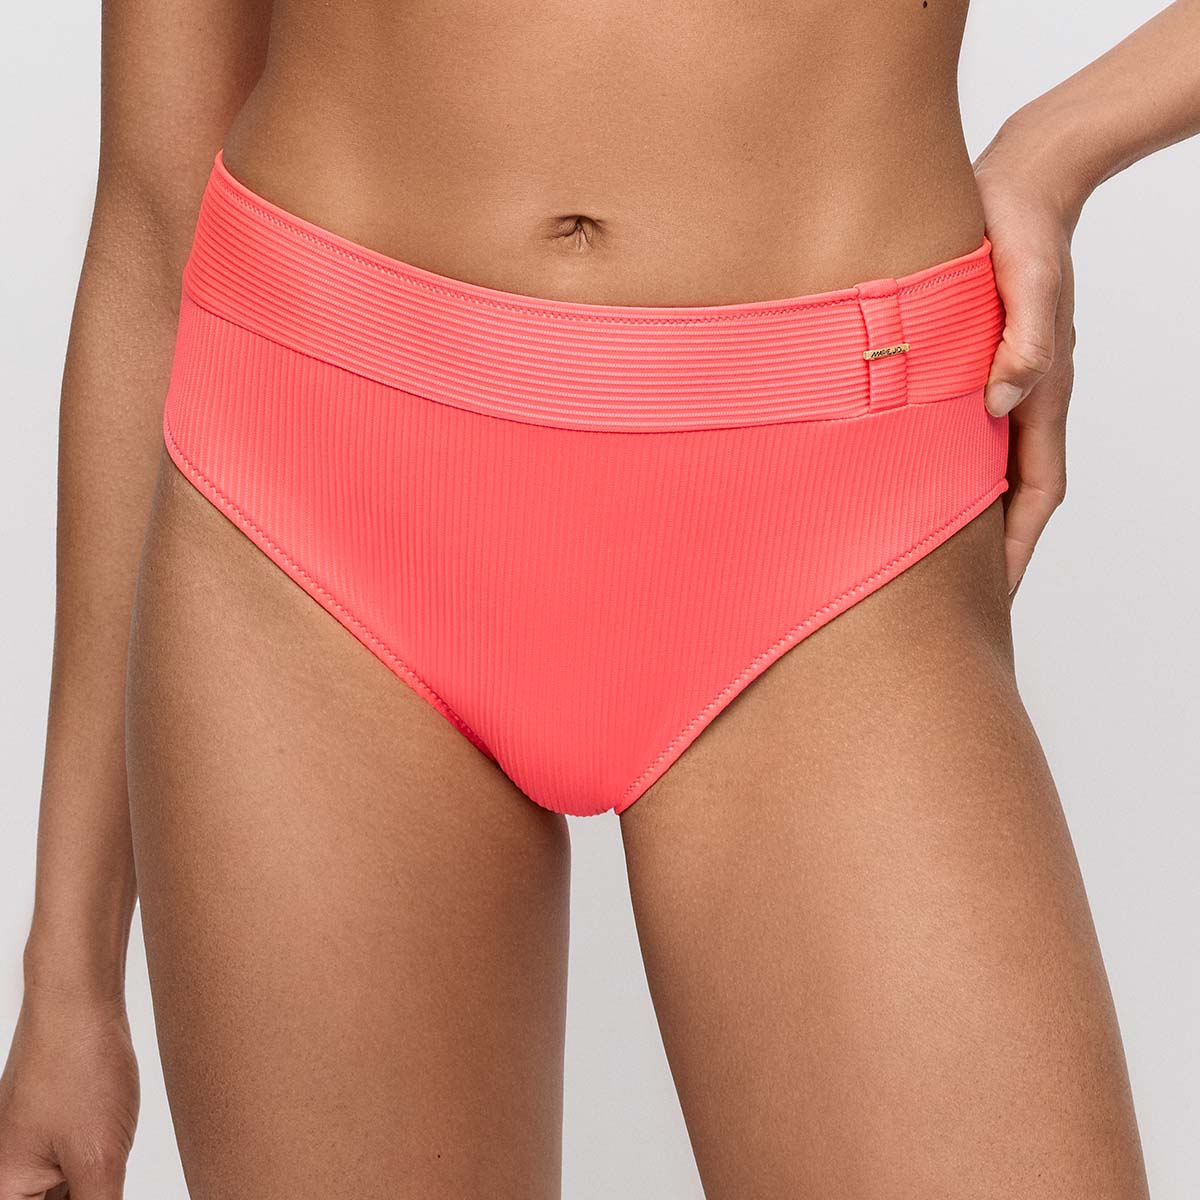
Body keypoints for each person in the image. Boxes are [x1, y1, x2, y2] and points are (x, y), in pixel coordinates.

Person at [1, 1, 1196, 1196]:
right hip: (307, 475)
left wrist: (1057, 150)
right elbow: (157, 204)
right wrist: (69, 978)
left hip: (836, 493)